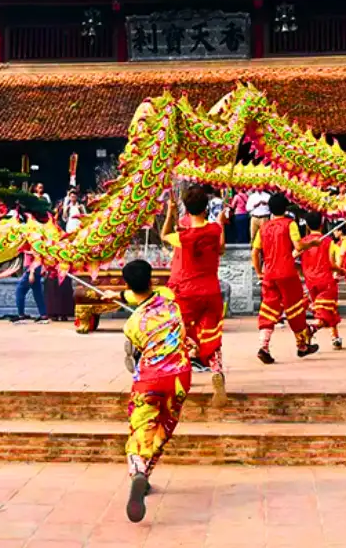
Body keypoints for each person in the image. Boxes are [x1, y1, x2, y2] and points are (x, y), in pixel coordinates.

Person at [103, 259, 191, 524]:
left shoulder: (131, 325)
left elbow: (132, 360)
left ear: (127, 284)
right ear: (152, 279)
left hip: (149, 380)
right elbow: (177, 328)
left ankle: (138, 471)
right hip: (178, 378)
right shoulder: (171, 305)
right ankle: (146, 474)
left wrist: (117, 296)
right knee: (163, 427)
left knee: (141, 428)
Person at [161, 185, 227, 406]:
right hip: (211, 290)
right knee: (211, 332)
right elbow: (221, 249)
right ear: (206, 206)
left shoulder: (185, 236)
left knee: (182, 334)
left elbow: (163, 235)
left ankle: (179, 377)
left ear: (186, 210)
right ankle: (216, 370)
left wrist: (170, 211)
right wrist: (221, 221)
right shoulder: (215, 230)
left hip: (188, 291)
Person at [251, 193, 317, 364]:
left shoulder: (264, 228)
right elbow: (299, 246)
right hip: (287, 273)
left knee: (268, 309)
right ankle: (302, 346)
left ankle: (263, 346)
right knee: (295, 309)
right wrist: (312, 244)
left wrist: (259, 271)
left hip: (270, 274)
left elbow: (255, 251)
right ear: (286, 208)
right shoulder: (290, 224)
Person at [298, 212, 344, 350]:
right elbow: (331, 263)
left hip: (310, 282)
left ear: (306, 225)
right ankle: (312, 329)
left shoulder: (302, 243)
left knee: (328, 310)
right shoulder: (328, 241)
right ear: (322, 224)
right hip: (326, 281)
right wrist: (341, 271)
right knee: (325, 313)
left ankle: (335, 337)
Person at [13, 247, 47, 321]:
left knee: (20, 291)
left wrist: (32, 272)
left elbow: (36, 256)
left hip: (32, 269)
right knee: (37, 293)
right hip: (35, 268)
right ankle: (43, 315)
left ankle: (21, 315)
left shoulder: (32, 238)